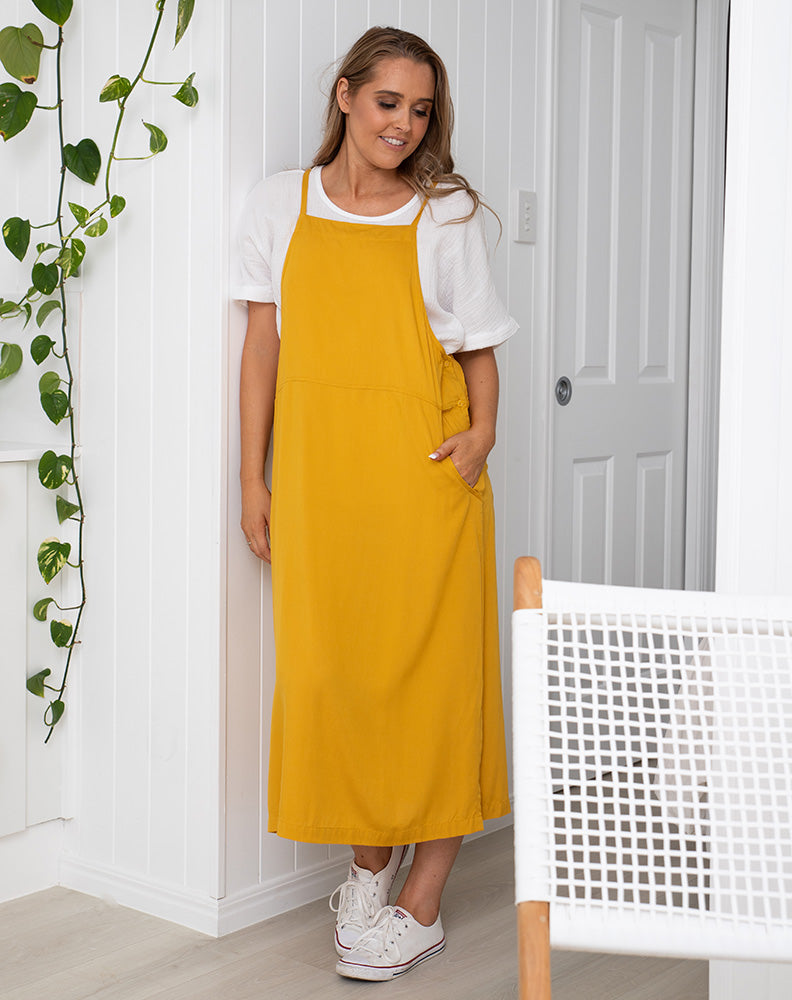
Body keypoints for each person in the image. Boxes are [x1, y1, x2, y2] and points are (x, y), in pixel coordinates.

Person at [234, 26, 517, 982]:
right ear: (346, 96)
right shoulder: (280, 203)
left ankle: (420, 904)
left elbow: (479, 345)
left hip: (426, 480)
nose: (404, 124)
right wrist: (252, 477)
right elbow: (263, 347)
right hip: (325, 485)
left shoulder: (445, 215)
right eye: (388, 102)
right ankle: (368, 872)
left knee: (434, 685)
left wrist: (483, 436)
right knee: (341, 679)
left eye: (421, 110)